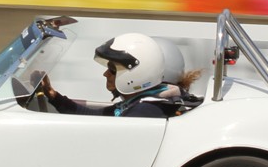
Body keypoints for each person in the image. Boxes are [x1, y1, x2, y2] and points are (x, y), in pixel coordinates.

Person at [37, 33, 203, 118]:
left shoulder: (144, 111)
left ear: (136, 73)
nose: (105, 73)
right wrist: (53, 95)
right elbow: (97, 117)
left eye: (112, 69)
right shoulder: (142, 103)